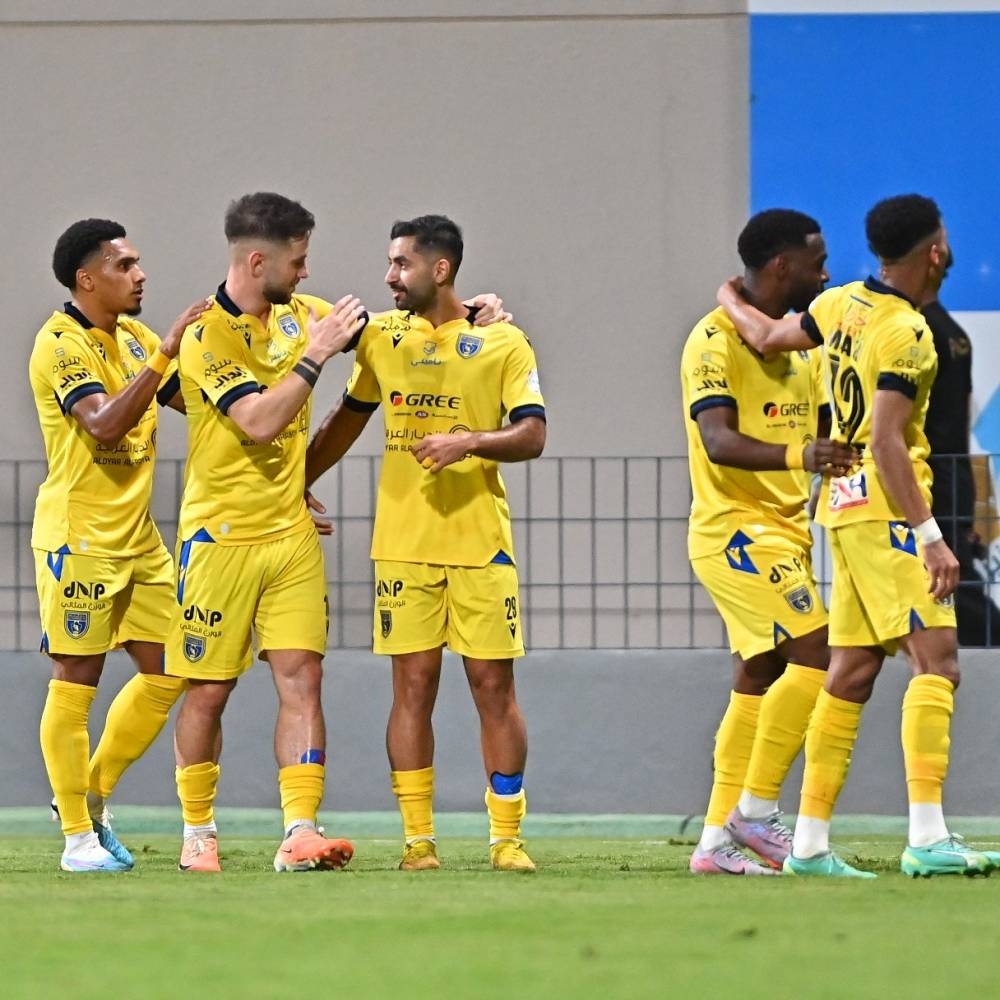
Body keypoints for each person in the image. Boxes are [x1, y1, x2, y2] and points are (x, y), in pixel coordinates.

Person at [167, 196, 509, 874]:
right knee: (208, 690)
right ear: (257, 261)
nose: (306, 272)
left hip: (291, 537)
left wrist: (471, 310)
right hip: (218, 538)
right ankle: (198, 832)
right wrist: (316, 355)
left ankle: (299, 830)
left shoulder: (304, 313)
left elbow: (395, 328)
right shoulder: (208, 336)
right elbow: (259, 421)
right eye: (297, 261)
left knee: (303, 679)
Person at [718, 194, 999, 877]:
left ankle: (809, 845)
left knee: (851, 672)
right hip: (887, 513)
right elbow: (887, 441)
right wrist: (930, 535)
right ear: (935, 251)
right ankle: (928, 836)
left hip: (843, 510)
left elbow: (769, 337)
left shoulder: (839, 303)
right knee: (938, 662)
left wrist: (727, 296)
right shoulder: (908, 332)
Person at [305, 215, 546, 872]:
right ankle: (418, 841)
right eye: (390, 263)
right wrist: (297, 481)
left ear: (440, 270)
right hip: (403, 545)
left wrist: (469, 441)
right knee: (412, 687)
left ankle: (507, 839)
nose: (389, 276)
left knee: (493, 687)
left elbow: (532, 434)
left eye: (402, 264)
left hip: (481, 544)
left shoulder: (502, 340)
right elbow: (347, 419)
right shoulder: (381, 337)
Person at [29, 218, 209, 872]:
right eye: (124, 265)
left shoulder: (134, 338)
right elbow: (104, 424)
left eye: (137, 263)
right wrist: (164, 354)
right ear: (87, 278)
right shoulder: (60, 345)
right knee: (77, 680)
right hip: (79, 540)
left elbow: (208, 406)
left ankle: (88, 793)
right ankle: (79, 841)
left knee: (176, 667)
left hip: (139, 542)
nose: (140, 275)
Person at [681, 209, 857, 875]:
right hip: (734, 533)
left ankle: (714, 845)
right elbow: (718, 441)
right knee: (818, 652)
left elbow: (824, 426)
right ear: (782, 265)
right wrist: (801, 456)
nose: (826, 274)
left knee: (760, 675)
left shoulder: (803, 346)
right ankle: (755, 813)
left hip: (785, 532)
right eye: (817, 262)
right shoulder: (712, 340)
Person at [922, 251, 1000, 645]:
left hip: (939, 491)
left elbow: (950, 429)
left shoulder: (932, 330)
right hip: (936, 491)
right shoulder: (940, 331)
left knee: (961, 603)